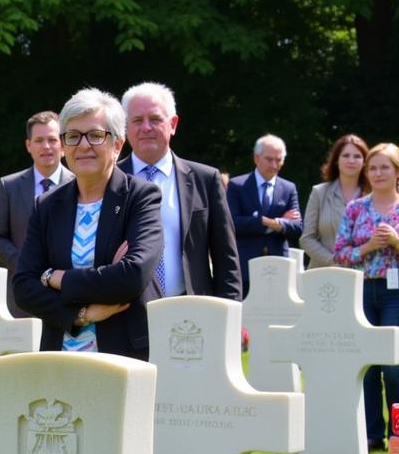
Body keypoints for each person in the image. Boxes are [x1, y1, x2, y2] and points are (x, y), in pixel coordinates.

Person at [12, 87, 163, 359]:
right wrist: (80, 314)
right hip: (60, 357)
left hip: (123, 354)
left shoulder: (140, 197)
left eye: (95, 135)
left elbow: (133, 276)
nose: (83, 145)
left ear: (117, 145)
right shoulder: (46, 205)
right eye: (72, 136)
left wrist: (56, 277)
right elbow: (23, 287)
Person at [119, 82, 242, 301]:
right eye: (137, 120)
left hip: (190, 310)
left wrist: (230, 318)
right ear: (125, 127)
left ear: (173, 124)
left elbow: (226, 258)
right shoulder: (109, 181)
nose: (146, 127)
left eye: (155, 119)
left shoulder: (205, 180)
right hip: (125, 313)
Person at [333, 142, 399, 451]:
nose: (377, 173)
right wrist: (368, 247)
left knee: (393, 365)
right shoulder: (355, 208)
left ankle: (397, 432)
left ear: (396, 171)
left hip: (395, 293)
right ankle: (373, 434)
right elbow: (340, 254)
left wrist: (396, 243)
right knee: (367, 366)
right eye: (372, 168)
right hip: (361, 290)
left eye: (385, 167)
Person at [0, 110, 73, 316]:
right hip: (21, 295)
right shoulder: (10, 186)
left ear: (62, 145)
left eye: (52, 140)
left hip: (67, 292)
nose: (46, 146)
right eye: (39, 140)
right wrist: (24, 263)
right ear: (29, 146)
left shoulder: (79, 184)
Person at [227, 134, 302, 294]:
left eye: (279, 160)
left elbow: (297, 227)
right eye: (269, 159)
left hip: (278, 267)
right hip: (245, 266)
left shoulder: (288, 188)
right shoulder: (237, 186)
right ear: (256, 158)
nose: (274, 165)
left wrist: (259, 221)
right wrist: (273, 222)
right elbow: (232, 223)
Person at [300, 134, 369, 269]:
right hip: (323, 274)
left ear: (365, 162)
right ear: (336, 160)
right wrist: (334, 262)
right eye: (346, 155)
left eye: (357, 156)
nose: (351, 160)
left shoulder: (374, 196)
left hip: (364, 276)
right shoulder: (319, 193)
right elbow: (307, 239)